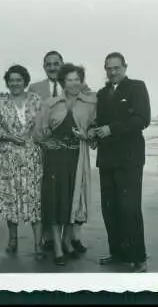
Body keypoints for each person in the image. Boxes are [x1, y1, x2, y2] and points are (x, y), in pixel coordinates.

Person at [34, 63, 97, 266]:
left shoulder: (90, 103)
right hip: (54, 159)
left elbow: (95, 132)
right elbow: (37, 134)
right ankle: (59, 249)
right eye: (69, 80)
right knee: (55, 202)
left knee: (73, 201)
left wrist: (87, 135)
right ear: (62, 82)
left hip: (77, 159)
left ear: (82, 81)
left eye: (77, 79)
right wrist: (45, 141)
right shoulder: (50, 103)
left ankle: (66, 241)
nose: (74, 83)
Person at [94, 52, 151, 273]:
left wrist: (111, 129)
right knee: (110, 208)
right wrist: (94, 133)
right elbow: (99, 121)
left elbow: (142, 119)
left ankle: (138, 257)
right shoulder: (102, 93)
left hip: (129, 159)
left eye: (116, 67)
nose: (112, 72)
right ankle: (117, 253)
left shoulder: (136, 87)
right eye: (108, 68)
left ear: (125, 67)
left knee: (129, 208)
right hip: (106, 159)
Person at [0, 65, 44, 259]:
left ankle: (38, 244)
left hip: (32, 155)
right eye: (11, 80)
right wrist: (9, 137)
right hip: (8, 156)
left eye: (18, 79)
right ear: (7, 82)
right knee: (10, 197)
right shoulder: (0, 101)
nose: (15, 83)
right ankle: (13, 240)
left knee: (35, 198)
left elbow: (44, 126)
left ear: (25, 81)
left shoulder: (36, 100)